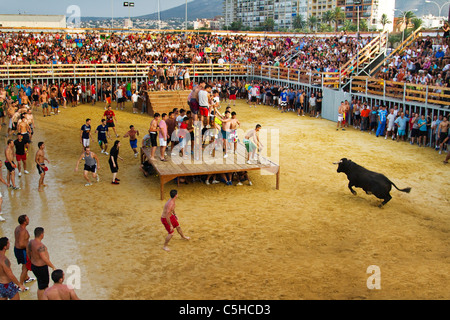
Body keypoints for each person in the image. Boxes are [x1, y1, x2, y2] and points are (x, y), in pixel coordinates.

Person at [27, 227, 56, 300]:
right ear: (41, 234)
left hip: (34, 265)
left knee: (41, 285)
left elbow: (28, 251)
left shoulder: (31, 242)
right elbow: (44, 258)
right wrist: (53, 267)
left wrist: (31, 259)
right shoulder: (40, 246)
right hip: (41, 268)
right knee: (43, 286)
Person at [14, 215, 35, 288]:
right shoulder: (23, 231)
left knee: (24, 265)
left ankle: (26, 278)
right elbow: (21, 244)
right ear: (24, 222)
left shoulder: (18, 228)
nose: (29, 219)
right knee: (25, 268)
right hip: (22, 251)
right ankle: (20, 285)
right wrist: (29, 247)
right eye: (27, 219)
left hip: (17, 250)